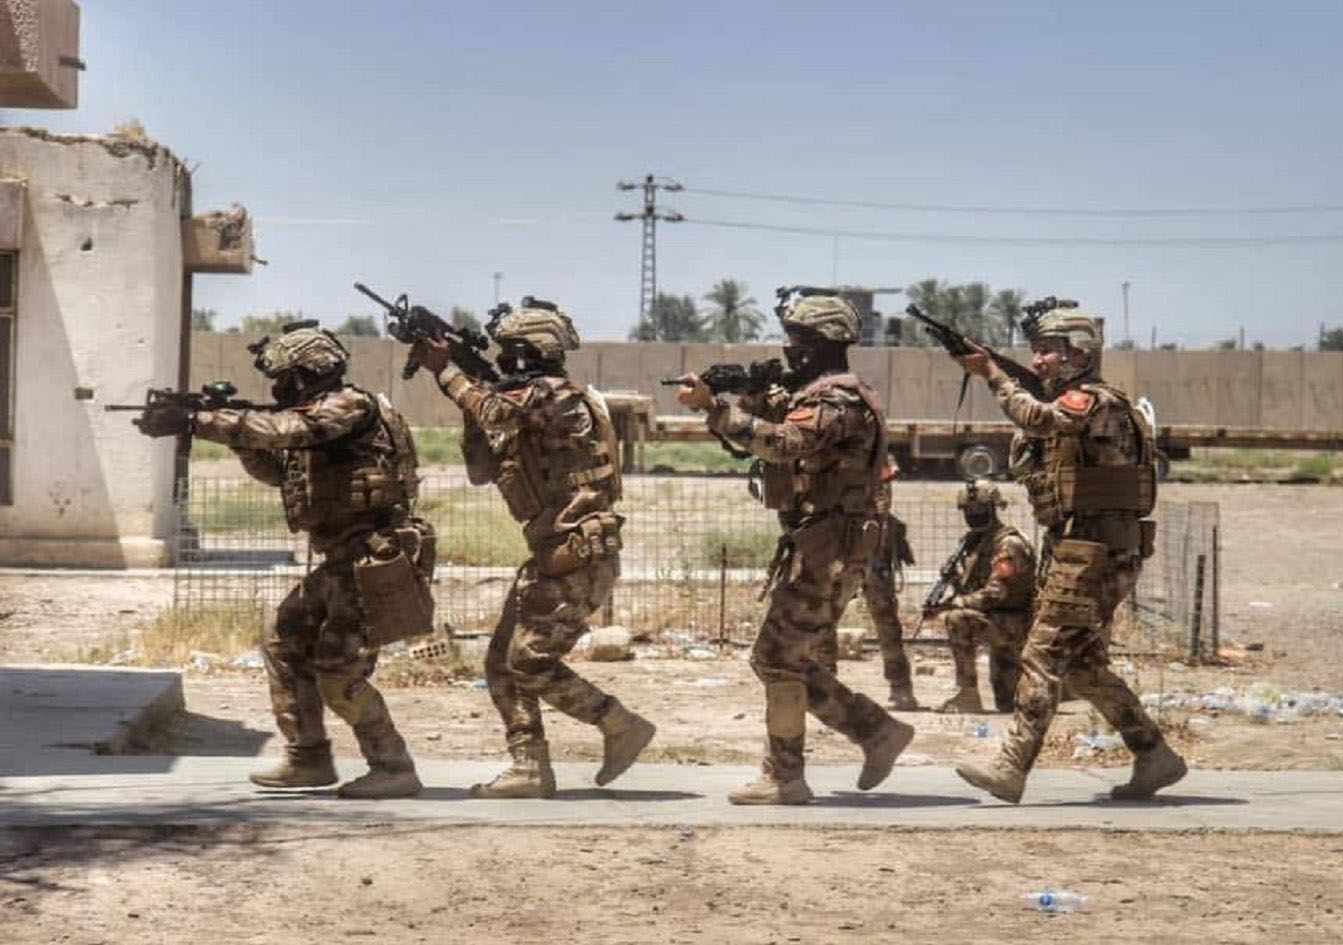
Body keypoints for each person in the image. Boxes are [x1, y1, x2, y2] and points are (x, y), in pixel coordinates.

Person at [137, 322, 432, 798]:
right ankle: (307, 757)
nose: (278, 390)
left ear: (307, 372)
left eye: (284, 379)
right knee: (283, 639)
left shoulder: (349, 406)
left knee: (338, 671)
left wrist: (202, 421)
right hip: (341, 560)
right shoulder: (311, 422)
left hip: (372, 557)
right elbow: (276, 470)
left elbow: (288, 430)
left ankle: (393, 766)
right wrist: (236, 434)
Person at [410, 297, 654, 799]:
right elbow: (481, 470)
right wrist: (469, 400)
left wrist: (448, 372)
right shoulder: (524, 406)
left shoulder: (556, 396)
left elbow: (493, 408)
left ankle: (618, 723)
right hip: (553, 554)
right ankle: (529, 767)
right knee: (501, 663)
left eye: (508, 351)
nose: (501, 360)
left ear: (528, 351)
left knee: (529, 661)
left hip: (577, 555)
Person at [677, 289, 914, 805]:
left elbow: (783, 444)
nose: (789, 348)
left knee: (776, 657)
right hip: (822, 546)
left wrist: (715, 408)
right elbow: (782, 428)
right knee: (781, 657)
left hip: (831, 550)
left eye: (799, 339)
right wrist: (751, 397)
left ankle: (788, 775)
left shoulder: (837, 400)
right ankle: (874, 732)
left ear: (825, 343)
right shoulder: (820, 394)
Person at [948, 307, 1186, 803]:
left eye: (1047, 351)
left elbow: (1036, 418)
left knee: (1042, 655)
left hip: (1095, 553)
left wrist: (992, 372)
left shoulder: (1095, 401)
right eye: (1034, 351)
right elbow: (1033, 455)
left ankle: (1011, 766)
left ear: (1079, 353)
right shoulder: (1083, 404)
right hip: (1084, 550)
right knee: (1082, 666)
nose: (1037, 360)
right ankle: (1154, 754)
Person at [926, 480, 1035, 714]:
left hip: (1014, 624)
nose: (973, 515)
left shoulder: (1008, 544)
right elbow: (972, 591)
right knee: (1006, 703)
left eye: (979, 509)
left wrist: (951, 604)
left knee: (956, 618)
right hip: (996, 622)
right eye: (969, 510)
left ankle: (968, 696)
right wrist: (954, 579)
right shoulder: (975, 542)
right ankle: (969, 693)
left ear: (993, 509)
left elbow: (996, 593)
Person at [862, 457, 918, 710]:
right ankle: (824, 682)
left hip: (874, 545)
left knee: (886, 621)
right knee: (824, 615)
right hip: (839, 541)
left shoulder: (876, 452)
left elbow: (882, 502)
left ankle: (900, 686)